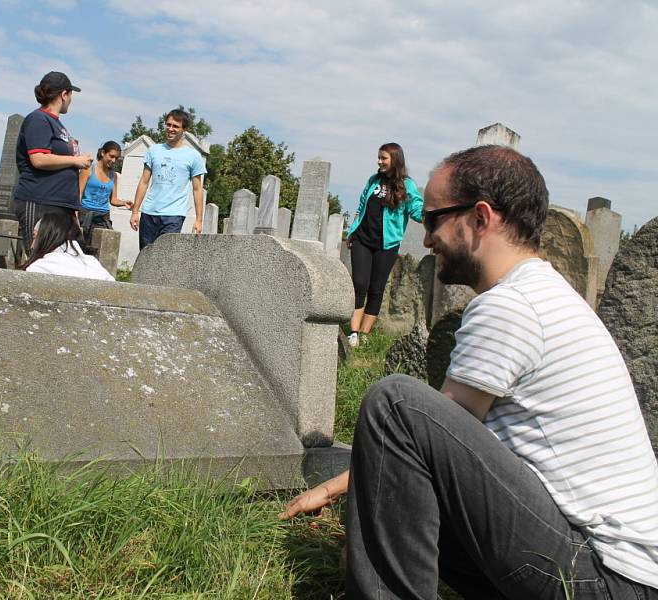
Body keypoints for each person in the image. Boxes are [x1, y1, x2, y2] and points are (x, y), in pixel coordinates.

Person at [282, 145, 658, 599]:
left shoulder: (511, 306)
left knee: (396, 403)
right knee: (391, 515)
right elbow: (437, 455)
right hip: (615, 572)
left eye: (434, 218)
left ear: (480, 218)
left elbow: (414, 429)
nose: (425, 238)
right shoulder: (542, 292)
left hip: (606, 577)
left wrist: (341, 498)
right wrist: (366, 525)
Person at [344, 143, 422, 348]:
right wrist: (352, 230)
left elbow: (416, 208)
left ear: (395, 159)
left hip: (387, 244)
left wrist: (432, 216)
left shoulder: (407, 185)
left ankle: (365, 332)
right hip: (362, 239)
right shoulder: (373, 180)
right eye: (378, 158)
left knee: (376, 288)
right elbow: (361, 206)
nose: (379, 162)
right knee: (360, 284)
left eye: (383, 158)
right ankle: (353, 332)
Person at [12, 71, 92, 258]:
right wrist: (75, 160)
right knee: (40, 260)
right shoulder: (38, 119)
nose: (71, 99)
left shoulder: (58, 125)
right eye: (71, 95)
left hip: (61, 205)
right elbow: (38, 158)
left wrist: (73, 209)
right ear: (64, 94)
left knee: (75, 258)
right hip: (40, 201)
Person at [129, 108, 206, 249]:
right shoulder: (154, 151)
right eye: (168, 125)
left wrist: (199, 219)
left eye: (175, 126)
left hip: (174, 215)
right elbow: (144, 182)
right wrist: (135, 212)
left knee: (165, 257)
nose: (171, 129)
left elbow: (197, 189)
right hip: (149, 213)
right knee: (146, 256)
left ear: (184, 130)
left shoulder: (193, 156)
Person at [19, 211, 114, 281]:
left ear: (48, 238)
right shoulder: (94, 265)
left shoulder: (38, 268)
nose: (32, 246)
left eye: (35, 237)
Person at [78, 141, 131, 237]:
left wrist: (124, 203)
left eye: (117, 158)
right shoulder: (88, 169)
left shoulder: (113, 175)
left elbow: (113, 200)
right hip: (86, 214)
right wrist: (74, 216)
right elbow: (78, 194)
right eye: (111, 156)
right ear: (103, 153)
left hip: (103, 216)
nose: (114, 160)